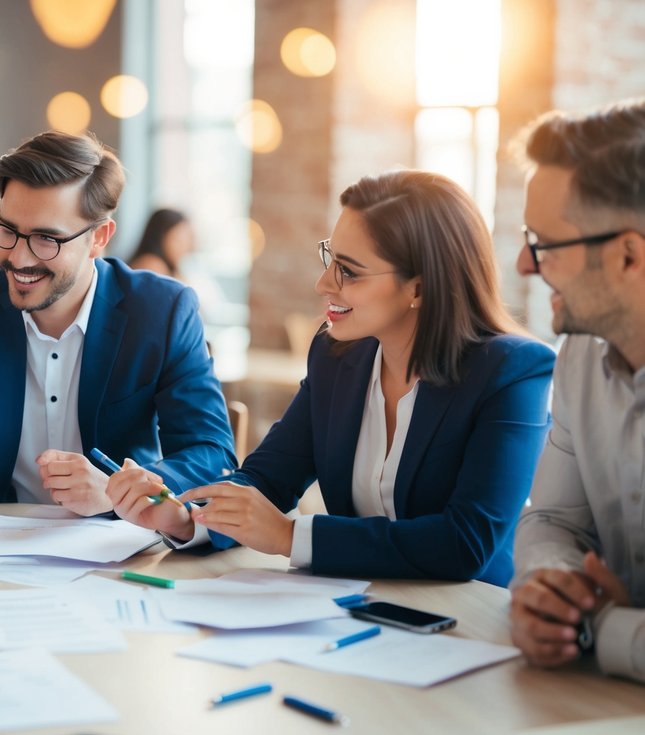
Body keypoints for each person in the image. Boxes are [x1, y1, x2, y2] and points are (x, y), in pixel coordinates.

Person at [110, 170, 554, 585]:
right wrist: (188, 518)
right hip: (354, 604)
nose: (324, 283)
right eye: (330, 258)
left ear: (419, 287)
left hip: (468, 621)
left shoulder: (512, 373)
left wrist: (290, 536)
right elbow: (268, 479)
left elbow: (465, 542)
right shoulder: (337, 354)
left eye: (349, 271)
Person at [0, 131, 235, 522]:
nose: (18, 258)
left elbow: (210, 453)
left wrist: (117, 490)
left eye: (46, 239)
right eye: (8, 230)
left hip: (118, 546)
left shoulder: (162, 311)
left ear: (99, 237)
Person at [508, 98, 645, 682]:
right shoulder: (580, 360)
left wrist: (605, 626)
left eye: (543, 243)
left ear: (628, 255)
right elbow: (553, 520)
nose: (522, 264)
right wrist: (552, 588)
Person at [128, 208, 192, 277]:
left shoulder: (164, 266)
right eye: (178, 241)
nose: (184, 248)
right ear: (160, 237)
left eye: (186, 241)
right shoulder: (152, 265)